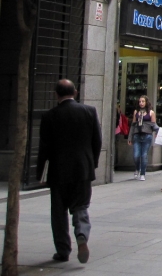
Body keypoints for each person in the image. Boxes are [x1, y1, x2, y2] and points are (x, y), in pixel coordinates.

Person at [36, 79, 101, 264]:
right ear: (76, 92)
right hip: (83, 170)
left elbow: (44, 148)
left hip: (58, 172)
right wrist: (92, 163)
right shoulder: (89, 111)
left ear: (56, 95)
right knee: (80, 207)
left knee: (59, 213)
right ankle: (81, 234)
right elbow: (97, 141)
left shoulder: (49, 116)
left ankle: (63, 250)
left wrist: (41, 173)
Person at [127, 95, 156, 181]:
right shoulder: (136, 112)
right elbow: (133, 125)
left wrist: (158, 132)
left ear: (146, 102)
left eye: (143, 101)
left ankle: (143, 173)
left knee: (144, 155)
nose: (141, 103)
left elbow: (154, 125)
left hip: (147, 136)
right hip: (137, 135)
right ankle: (137, 168)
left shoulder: (151, 112)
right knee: (136, 155)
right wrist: (130, 137)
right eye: (140, 101)